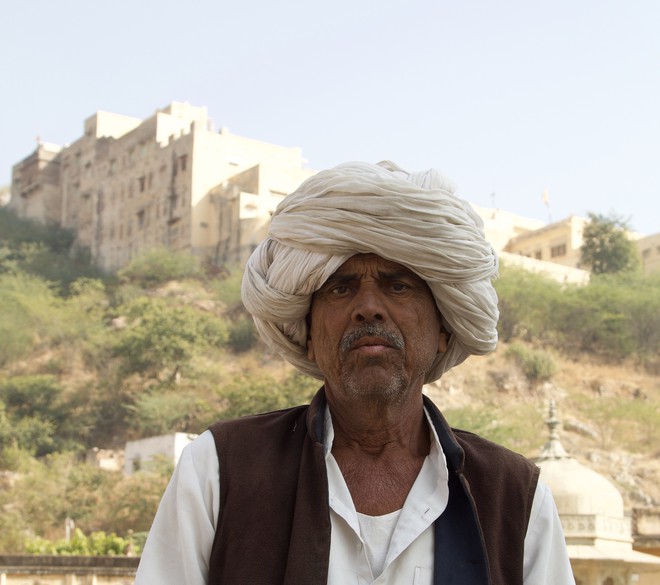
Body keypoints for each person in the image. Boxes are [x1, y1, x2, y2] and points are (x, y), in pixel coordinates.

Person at [135, 161, 575, 585]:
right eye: (340, 288)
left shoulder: (514, 498)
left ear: (444, 327)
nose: (368, 307)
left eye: (397, 285)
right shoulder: (219, 470)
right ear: (308, 333)